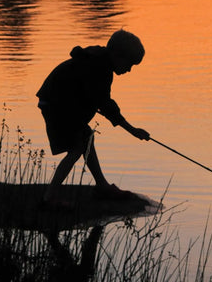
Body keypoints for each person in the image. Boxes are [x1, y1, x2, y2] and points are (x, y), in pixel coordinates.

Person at [37, 29, 150, 208]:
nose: (128, 69)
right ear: (116, 55)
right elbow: (105, 104)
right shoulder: (99, 67)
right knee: (78, 146)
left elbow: (97, 98)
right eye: (129, 64)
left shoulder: (101, 62)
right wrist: (132, 130)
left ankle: (102, 186)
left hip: (61, 100)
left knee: (87, 136)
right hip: (56, 102)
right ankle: (49, 197)